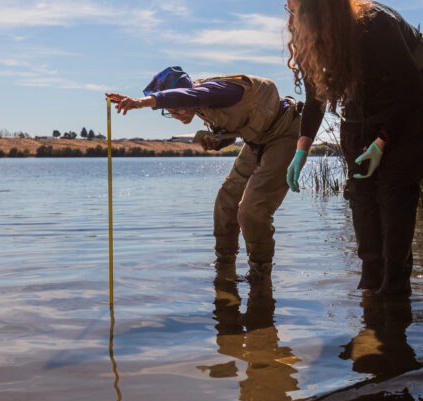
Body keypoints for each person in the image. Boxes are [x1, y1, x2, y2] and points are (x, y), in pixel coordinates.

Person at [283, 0, 423, 295]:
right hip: (359, 117)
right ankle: (369, 303)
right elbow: (315, 98)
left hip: (408, 115)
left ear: (321, 9)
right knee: (362, 201)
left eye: (297, 10)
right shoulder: (309, 38)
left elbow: (412, 91)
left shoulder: (376, 24)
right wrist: (302, 149)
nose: (292, 18)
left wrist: (383, 140)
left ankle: (394, 306)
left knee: (393, 200)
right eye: (287, 10)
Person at [106, 66, 300, 278]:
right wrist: (218, 142)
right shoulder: (202, 106)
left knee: (252, 210)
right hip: (257, 141)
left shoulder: (216, 89)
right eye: (170, 112)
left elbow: (191, 95)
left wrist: (141, 102)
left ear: (184, 95)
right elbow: (238, 125)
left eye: (176, 108)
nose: (176, 114)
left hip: (285, 132)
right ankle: (224, 265)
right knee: (225, 201)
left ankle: (259, 272)